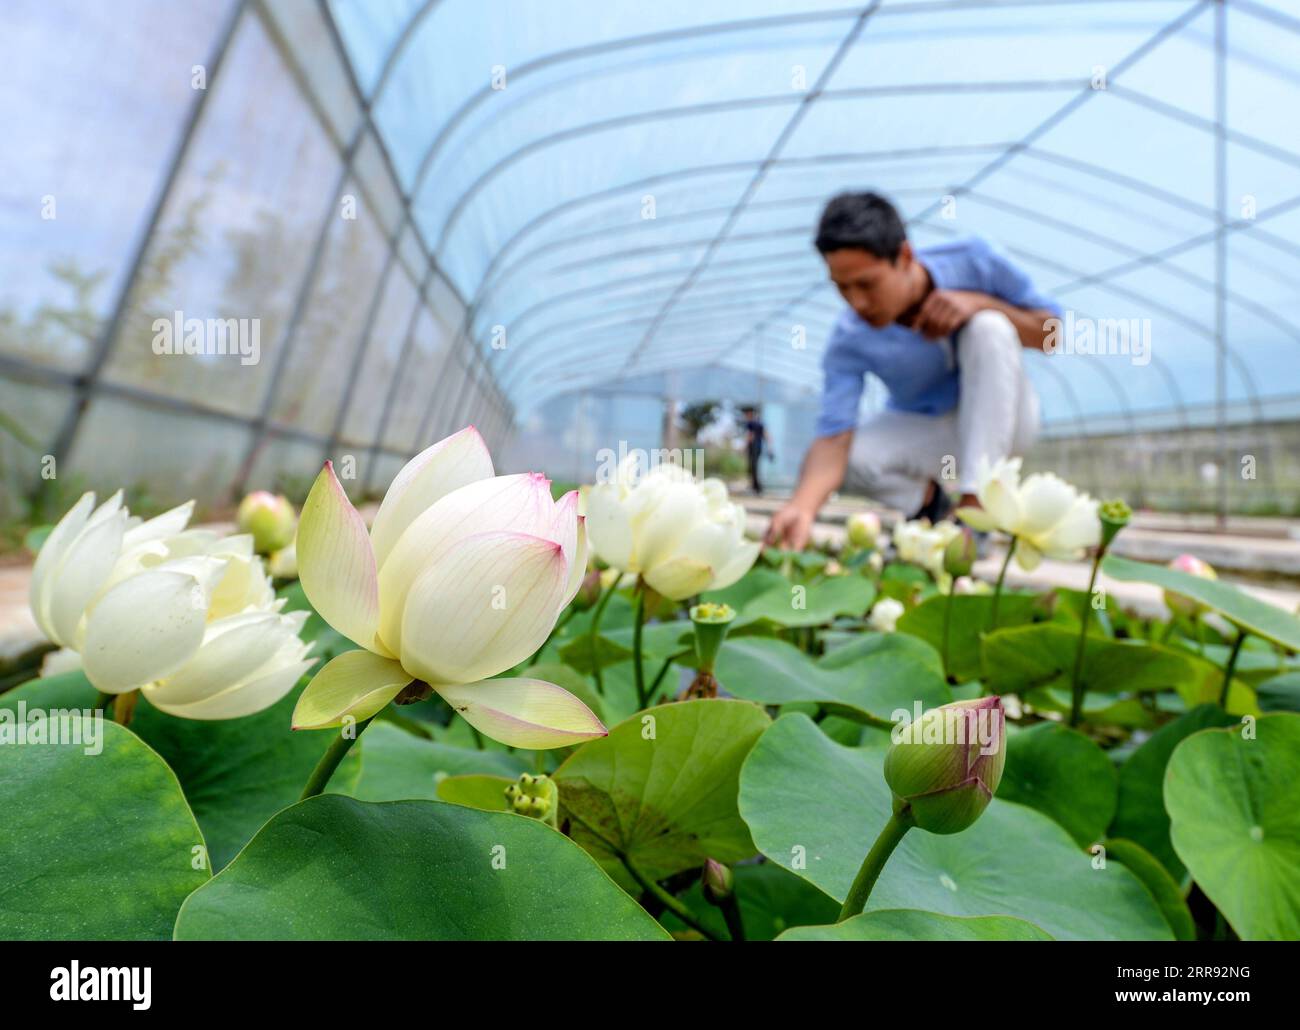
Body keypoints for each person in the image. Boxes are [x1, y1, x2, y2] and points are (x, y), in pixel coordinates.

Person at [766, 191, 1060, 550]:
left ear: (905, 256)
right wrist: (801, 508)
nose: (856, 302)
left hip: (1007, 420)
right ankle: (931, 506)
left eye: (867, 284)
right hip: (935, 433)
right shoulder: (849, 339)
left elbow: (1051, 335)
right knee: (852, 457)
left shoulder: (973, 260)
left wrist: (977, 302)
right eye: (842, 288)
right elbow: (833, 437)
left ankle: (975, 512)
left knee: (988, 326)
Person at [739, 405, 771, 495]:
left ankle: (756, 488)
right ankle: (756, 487)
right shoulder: (760, 422)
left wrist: (744, 447)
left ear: (750, 414)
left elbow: (750, 436)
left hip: (753, 447)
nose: (745, 416)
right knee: (755, 467)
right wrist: (769, 448)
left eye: (746, 414)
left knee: (752, 468)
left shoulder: (751, 423)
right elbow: (766, 435)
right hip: (759, 447)